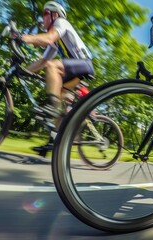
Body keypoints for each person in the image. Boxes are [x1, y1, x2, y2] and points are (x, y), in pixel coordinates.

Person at [15, 1, 94, 153]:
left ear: (54, 15)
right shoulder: (56, 42)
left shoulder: (61, 23)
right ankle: (55, 140)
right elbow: (41, 62)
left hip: (84, 64)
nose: (43, 17)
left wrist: (22, 37)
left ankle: (55, 111)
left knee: (52, 66)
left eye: (45, 13)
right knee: (57, 103)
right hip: (74, 72)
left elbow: (47, 39)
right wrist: (21, 70)